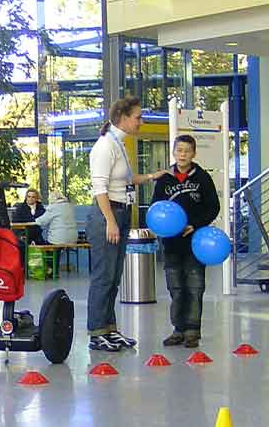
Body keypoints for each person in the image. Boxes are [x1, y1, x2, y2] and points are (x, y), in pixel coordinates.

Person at [87, 95, 170, 352]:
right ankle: (96, 331)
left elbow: (126, 179)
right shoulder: (105, 146)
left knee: (114, 276)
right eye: (138, 117)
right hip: (107, 214)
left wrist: (152, 176)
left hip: (120, 213)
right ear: (122, 118)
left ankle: (109, 329)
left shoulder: (119, 143)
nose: (141, 122)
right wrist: (110, 221)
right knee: (103, 276)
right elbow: (100, 188)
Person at [151, 135, 220, 348]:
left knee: (195, 286)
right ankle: (178, 329)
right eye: (179, 150)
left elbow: (213, 207)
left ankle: (192, 331)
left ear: (194, 154)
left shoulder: (202, 178)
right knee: (176, 288)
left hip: (195, 242)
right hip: (171, 244)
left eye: (187, 151)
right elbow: (156, 208)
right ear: (173, 152)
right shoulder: (164, 179)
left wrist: (195, 224)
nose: (183, 155)